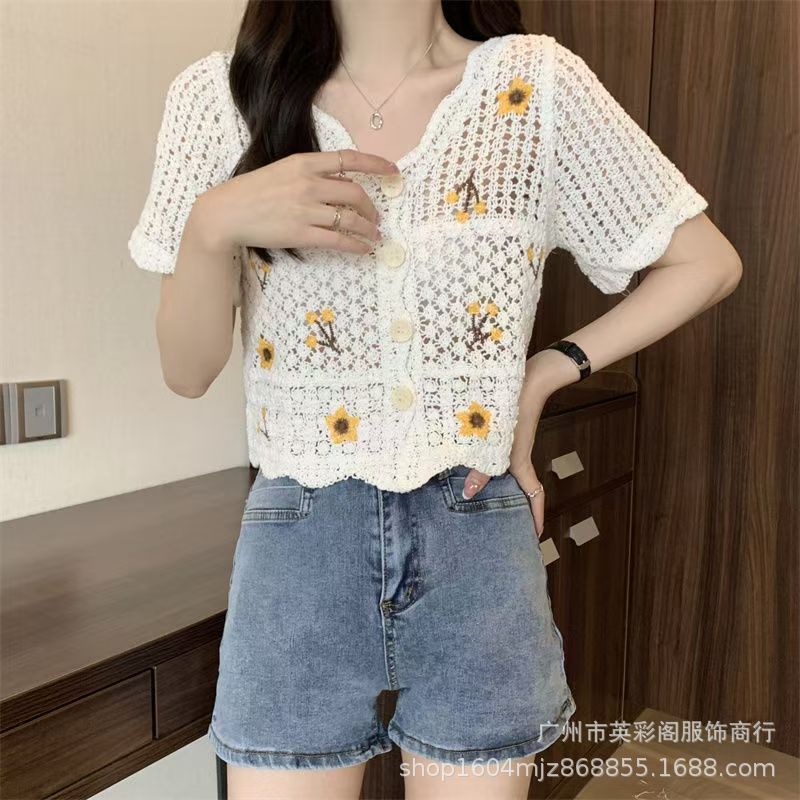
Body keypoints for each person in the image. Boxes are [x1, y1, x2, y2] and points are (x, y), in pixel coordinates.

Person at [127, 1, 742, 797]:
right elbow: (188, 371)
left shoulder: (535, 89)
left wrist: (542, 374)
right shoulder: (221, 99)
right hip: (298, 547)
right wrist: (211, 225)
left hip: (476, 532)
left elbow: (706, 262)